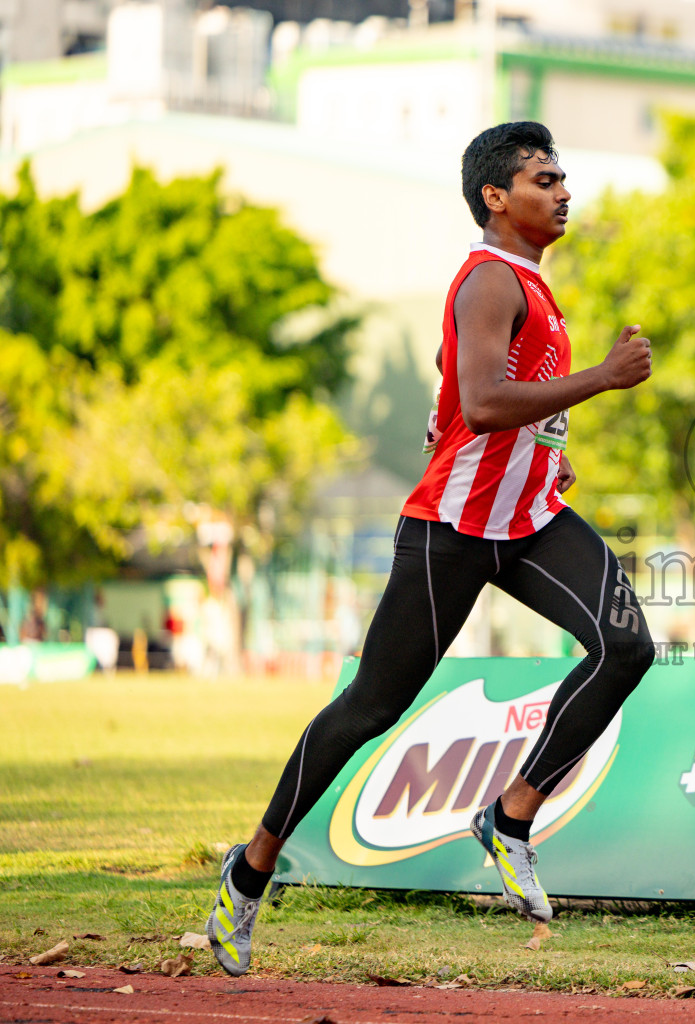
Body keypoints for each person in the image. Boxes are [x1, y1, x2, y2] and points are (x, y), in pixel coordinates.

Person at [205, 122, 657, 977]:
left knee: (627, 643)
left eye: (564, 177)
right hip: (451, 530)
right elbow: (487, 404)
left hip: (530, 521)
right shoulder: (489, 279)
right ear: (497, 196)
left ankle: (511, 816)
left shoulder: (531, 285)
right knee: (371, 708)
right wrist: (600, 377)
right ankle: (253, 864)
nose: (564, 191)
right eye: (545, 179)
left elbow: (470, 396)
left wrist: (539, 438)